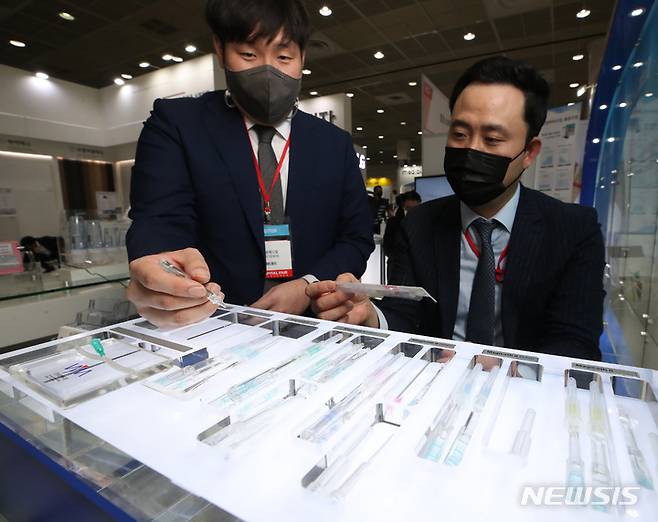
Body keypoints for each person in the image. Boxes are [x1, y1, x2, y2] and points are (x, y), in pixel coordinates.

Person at [307, 56, 605, 361]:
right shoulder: (419, 225)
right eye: (460, 134)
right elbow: (404, 316)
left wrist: (509, 369)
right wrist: (371, 317)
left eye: (492, 139)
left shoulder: (573, 229)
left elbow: (576, 341)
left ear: (529, 152)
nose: (471, 149)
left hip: (524, 386)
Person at [125, 0, 373, 328]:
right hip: (212, 322)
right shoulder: (178, 124)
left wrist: (307, 285)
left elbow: (356, 236)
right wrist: (162, 265)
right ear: (220, 49)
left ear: (302, 58)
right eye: (248, 54)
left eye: (283, 57)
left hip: (313, 323)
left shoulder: (333, 143)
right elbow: (160, 219)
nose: (268, 71)